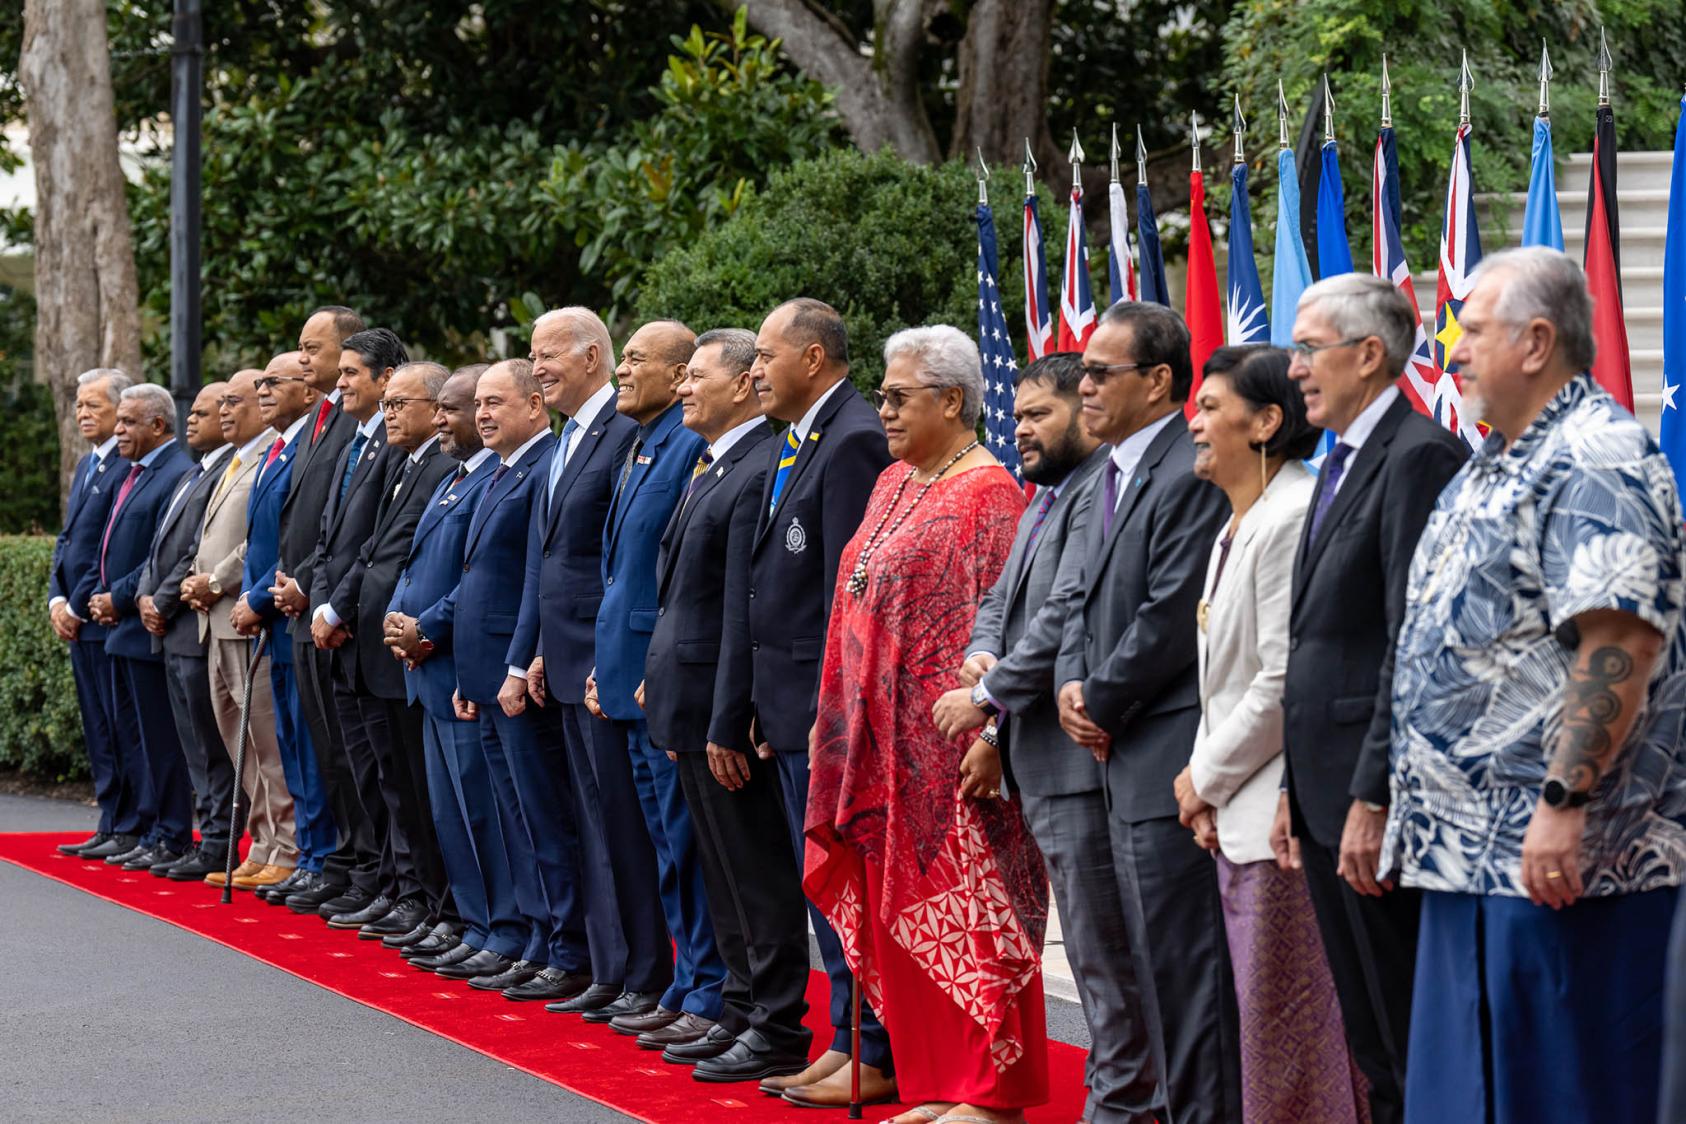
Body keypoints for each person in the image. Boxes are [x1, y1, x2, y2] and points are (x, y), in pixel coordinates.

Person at [1382, 247, 1686, 1123]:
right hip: (1471, 858)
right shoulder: (1499, 458)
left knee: (1566, 1096)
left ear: (1537, 340)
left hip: (1565, 863)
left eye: (1471, 329)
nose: (1452, 348)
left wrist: (1565, 800)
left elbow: (1618, 639)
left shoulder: (1596, 457)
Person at [806, 325, 1043, 1124]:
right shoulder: (890, 483)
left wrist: (993, 734)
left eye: (898, 397)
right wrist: (833, 723)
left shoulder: (991, 495)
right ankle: (940, 1084)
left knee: (974, 920)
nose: (884, 411)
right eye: (882, 395)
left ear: (952, 399)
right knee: (901, 922)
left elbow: (1012, 627)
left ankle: (993, 1094)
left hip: (954, 756)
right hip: (880, 752)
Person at [933, 352, 1149, 1123]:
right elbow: (1002, 600)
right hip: (1038, 758)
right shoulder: (1046, 497)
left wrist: (988, 695)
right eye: (1016, 415)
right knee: (1095, 959)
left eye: (1038, 415)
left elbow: (1065, 612)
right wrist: (982, 652)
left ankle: (1122, 1107)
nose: (1020, 430)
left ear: (1086, 415)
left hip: (1078, 764)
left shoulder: (1100, 494)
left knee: (1108, 960)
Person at [1277, 273, 1466, 1124]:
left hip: (1377, 797)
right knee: (1369, 1034)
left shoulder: (1418, 455)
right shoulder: (1341, 457)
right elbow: (1319, 643)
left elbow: (1409, 637)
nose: (1294, 369)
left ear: (1369, 354)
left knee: (1406, 1031)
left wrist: (1374, 794)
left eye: (1309, 348)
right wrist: (1294, 784)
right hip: (1323, 791)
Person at [697, 297, 892, 1093]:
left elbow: (842, 598)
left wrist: (822, 716)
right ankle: (847, 1041)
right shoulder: (799, 438)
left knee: (845, 892)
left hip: (818, 719)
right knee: (822, 893)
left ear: (812, 359)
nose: (755, 373)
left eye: (767, 359)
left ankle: (874, 1050)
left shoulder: (850, 441)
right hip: (781, 709)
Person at [1055, 300, 1240, 1124]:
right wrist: (1069, 685)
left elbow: (1171, 611)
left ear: (1159, 381)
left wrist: (1098, 696)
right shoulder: (1108, 468)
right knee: (1140, 970)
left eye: (1101, 371)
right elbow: (1076, 599)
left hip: (1163, 750)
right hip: (1111, 753)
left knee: (1186, 976)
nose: (1083, 384)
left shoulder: (1184, 468)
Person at [1172, 347, 1365, 1123]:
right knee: (1269, 1029)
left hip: (1282, 816)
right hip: (1240, 815)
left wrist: (1203, 778)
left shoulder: (1291, 515)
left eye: (1213, 406)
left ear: (1267, 424)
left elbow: (1283, 679)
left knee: (1296, 1035)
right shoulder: (1238, 523)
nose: (1195, 420)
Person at [643, 328, 795, 1062]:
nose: (681, 389)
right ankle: (739, 1007)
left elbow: (743, 605)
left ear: (741, 386)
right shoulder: (712, 465)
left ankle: (775, 1023)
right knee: (721, 871)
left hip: (719, 709)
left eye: (695, 377)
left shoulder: (761, 465)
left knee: (755, 874)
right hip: (688, 697)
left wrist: (729, 717)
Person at [510, 307, 663, 1013]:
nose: (536, 366)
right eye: (533, 355)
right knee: (590, 822)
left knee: (621, 830)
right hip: (565, 658)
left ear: (593, 357)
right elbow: (555, 561)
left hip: (606, 664)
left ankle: (637, 973)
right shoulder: (570, 436)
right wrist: (537, 650)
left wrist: (605, 655)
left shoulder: (625, 433)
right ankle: (606, 966)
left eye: (548, 355)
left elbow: (621, 565)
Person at [583, 320, 724, 1037]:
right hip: (622, 674)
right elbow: (621, 572)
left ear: (678, 376)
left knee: (685, 844)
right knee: (663, 845)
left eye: (635, 359)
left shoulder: (688, 447)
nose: (622, 371)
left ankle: (707, 991)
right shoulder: (644, 444)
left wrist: (648, 668)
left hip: (655, 679)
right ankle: (685, 981)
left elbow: (683, 578)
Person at [443, 359, 591, 995]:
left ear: (536, 407)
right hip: (482, 673)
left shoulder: (542, 465)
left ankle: (565, 945)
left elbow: (534, 581)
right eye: (478, 403)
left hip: (519, 677)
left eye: (496, 402)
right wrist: (469, 672)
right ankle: (535, 936)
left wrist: (511, 664)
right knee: (512, 819)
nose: (482, 414)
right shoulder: (499, 471)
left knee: (543, 817)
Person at [384, 365, 528, 969]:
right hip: (427, 667)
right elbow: (419, 567)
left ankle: (504, 930)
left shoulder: (491, 479)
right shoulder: (456, 480)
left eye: (453, 408)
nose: (441, 420)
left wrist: (425, 629)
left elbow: (477, 582)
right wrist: (398, 617)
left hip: (455, 661)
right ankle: (475, 925)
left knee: (482, 810)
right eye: (437, 408)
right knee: (450, 810)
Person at [328, 360, 455, 948]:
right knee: (391, 782)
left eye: (401, 403)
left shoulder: (442, 466)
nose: (389, 413)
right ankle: (407, 890)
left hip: (405, 644)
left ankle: (430, 898)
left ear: (436, 409)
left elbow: (408, 556)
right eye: (387, 404)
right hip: (373, 643)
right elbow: (374, 549)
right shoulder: (404, 464)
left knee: (413, 783)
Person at [299, 327, 407, 931]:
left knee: (389, 774)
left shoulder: (397, 447)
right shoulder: (352, 447)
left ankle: (394, 887)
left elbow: (375, 547)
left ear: (386, 377)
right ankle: (377, 879)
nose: (339, 384)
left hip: (362, 632)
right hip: (333, 628)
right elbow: (326, 543)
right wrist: (321, 605)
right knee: (356, 767)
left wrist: (335, 610)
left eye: (350, 374)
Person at [270, 305, 370, 916]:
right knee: (324, 751)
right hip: (302, 604)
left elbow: (354, 533)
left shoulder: (357, 424)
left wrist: (312, 587)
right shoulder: (322, 418)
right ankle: (340, 861)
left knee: (348, 752)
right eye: (300, 349)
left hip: (330, 607)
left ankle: (360, 868)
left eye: (313, 347)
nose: (303, 358)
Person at [183, 365, 289, 886]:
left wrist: (220, 581)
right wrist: (194, 578)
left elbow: (261, 541)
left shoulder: (272, 455)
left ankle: (284, 847)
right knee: (238, 740)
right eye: (219, 402)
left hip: (243, 615)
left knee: (266, 740)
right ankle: (263, 841)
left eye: (234, 400)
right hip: (214, 621)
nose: (225, 410)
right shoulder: (233, 461)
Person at [86, 383, 195, 871]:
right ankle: (148, 830)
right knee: (135, 739)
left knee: (160, 741)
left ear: (157, 425)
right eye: (120, 420)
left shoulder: (174, 472)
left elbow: (159, 557)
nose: (119, 429)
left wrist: (119, 597)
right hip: (122, 627)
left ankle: (171, 834)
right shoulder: (133, 473)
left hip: (145, 625)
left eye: (129, 421)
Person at [223, 350, 320, 890]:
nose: (262, 389)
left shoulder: (308, 446)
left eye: (271, 381)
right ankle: (296, 854)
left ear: (306, 391)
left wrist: (258, 597)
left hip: (285, 610)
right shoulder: (279, 449)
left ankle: (304, 854)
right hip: (269, 617)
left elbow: (296, 538)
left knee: (295, 746)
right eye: (257, 381)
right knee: (282, 741)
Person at [134, 380, 238, 881]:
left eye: (202, 411)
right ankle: (208, 837)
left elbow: (194, 551)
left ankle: (218, 843)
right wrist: (145, 593)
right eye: (190, 411)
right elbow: (160, 548)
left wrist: (163, 597)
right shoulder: (195, 473)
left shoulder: (224, 472)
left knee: (210, 745)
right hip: (172, 629)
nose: (190, 419)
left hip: (191, 624)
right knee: (193, 743)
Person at [51, 368, 137, 859]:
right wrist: (55, 600)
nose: (83, 414)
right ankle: (110, 819)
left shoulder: (126, 464)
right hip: (77, 616)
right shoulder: (88, 466)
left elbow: (106, 554)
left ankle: (128, 824)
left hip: (102, 618)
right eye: (79, 406)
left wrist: (79, 604)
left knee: (119, 725)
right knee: (97, 727)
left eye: (94, 406)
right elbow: (67, 542)